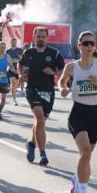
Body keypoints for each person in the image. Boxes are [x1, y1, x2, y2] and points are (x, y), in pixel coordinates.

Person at [59, 31, 97, 193]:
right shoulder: (72, 67)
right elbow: (62, 82)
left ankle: (77, 179)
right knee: (85, 153)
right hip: (78, 113)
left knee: (87, 156)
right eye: (86, 43)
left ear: (95, 46)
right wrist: (64, 89)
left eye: (92, 43)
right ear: (79, 46)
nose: (89, 46)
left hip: (95, 113)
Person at [19, 27, 65, 165]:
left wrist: (53, 73)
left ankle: (32, 143)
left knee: (40, 122)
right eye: (38, 36)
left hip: (48, 91)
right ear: (33, 37)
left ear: (47, 38)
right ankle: (43, 154)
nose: (40, 38)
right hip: (32, 89)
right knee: (40, 119)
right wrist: (20, 74)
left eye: (43, 36)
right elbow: (19, 65)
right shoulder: (29, 52)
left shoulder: (54, 53)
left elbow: (63, 71)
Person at [6, 37, 23, 105]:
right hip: (10, 69)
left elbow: (22, 59)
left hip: (18, 69)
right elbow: (7, 61)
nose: (14, 43)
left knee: (16, 85)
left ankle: (12, 90)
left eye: (15, 42)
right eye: (12, 42)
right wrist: (12, 68)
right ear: (10, 43)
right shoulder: (8, 51)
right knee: (13, 84)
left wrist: (19, 57)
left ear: (16, 43)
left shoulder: (20, 50)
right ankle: (14, 100)